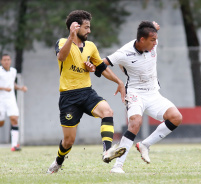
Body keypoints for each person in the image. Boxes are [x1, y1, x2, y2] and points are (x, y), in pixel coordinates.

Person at [87, 21, 183, 173]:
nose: (155, 43)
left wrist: (153, 25)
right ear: (142, 39)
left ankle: (145, 145)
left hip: (153, 93)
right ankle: (117, 166)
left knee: (176, 117)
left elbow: (153, 27)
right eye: (152, 40)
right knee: (136, 122)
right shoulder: (124, 52)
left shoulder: (151, 40)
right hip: (134, 93)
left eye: (156, 39)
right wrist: (92, 67)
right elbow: (101, 63)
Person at [46, 10, 126, 174]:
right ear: (75, 27)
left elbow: (101, 68)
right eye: (86, 27)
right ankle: (58, 162)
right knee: (69, 141)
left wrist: (119, 82)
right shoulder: (62, 42)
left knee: (107, 111)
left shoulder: (91, 46)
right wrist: (71, 36)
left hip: (87, 92)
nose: (89, 31)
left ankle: (107, 152)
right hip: (68, 97)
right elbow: (61, 57)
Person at [0, 54, 28, 151]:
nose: (6, 61)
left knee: (14, 119)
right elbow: (6, 86)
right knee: (1, 123)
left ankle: (14, 145)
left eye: (8, 59)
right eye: (4, 60)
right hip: (1, 100)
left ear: (10, 61)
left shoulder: (13, 71)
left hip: (11, 99)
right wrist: (3, 88)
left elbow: (12, 84)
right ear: (1, 61)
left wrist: (20, 88)